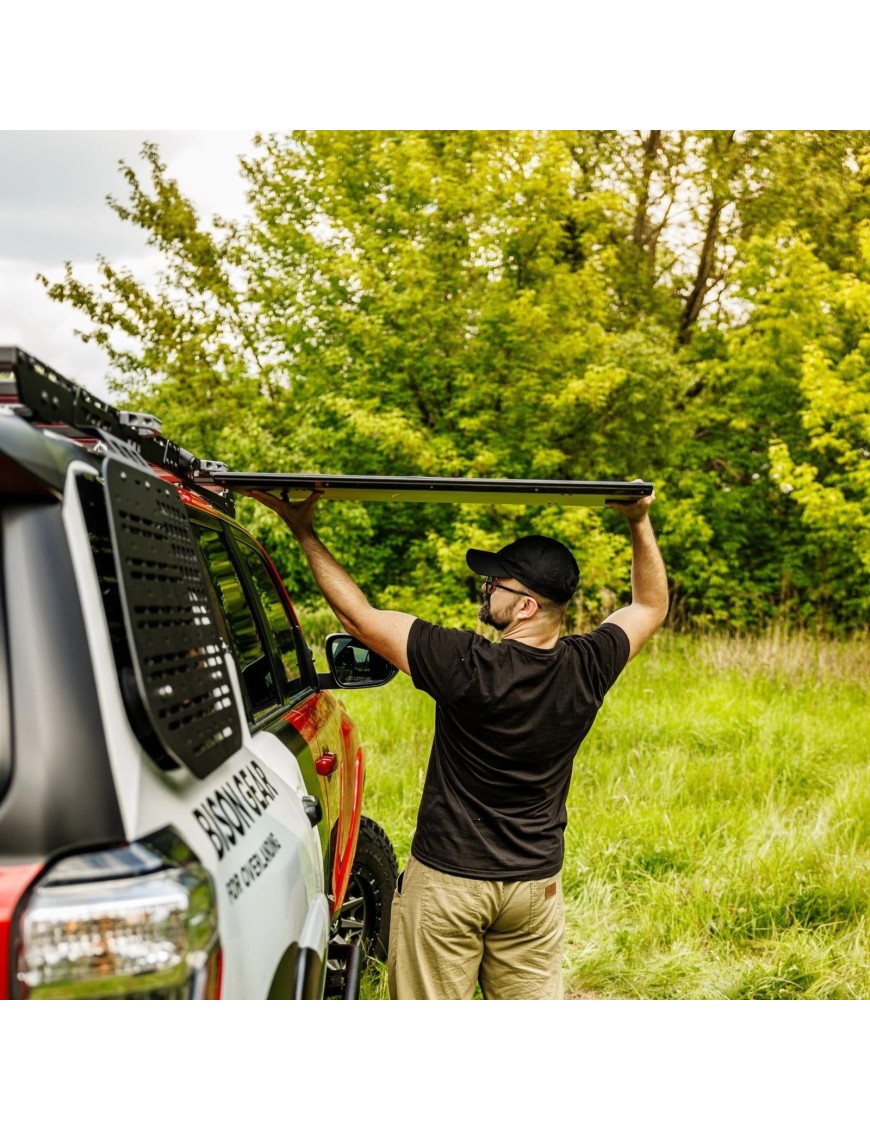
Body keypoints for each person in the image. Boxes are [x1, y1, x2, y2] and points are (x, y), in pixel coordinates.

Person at [246, 485, 668, 999]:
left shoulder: (466, 664)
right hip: (535, 890)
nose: (486, 587)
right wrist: (639, 521)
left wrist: (302, 528)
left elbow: (356, 617)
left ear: (526, 606)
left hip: (449, 886)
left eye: (498, 583)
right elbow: (650, 604)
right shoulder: (589, 665)